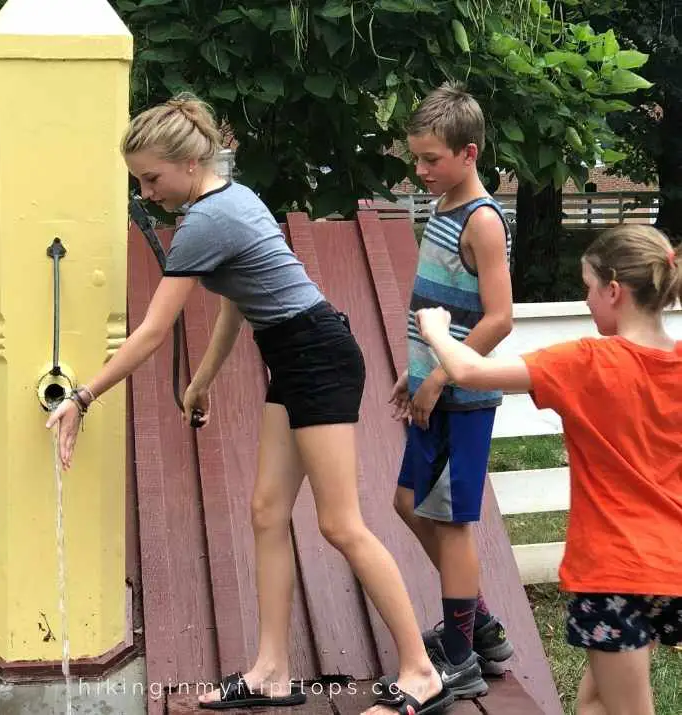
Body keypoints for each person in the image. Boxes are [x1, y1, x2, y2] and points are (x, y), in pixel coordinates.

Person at [46, 93, 453, 714]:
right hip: (293, 354)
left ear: (188, 163)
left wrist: (82, 395)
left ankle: (422, 672)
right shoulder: (227, 202)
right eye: (139, 181)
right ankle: (271, 672)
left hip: (316, 355)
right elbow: (239, 298)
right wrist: (203, 381)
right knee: (267, 511)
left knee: (339, 523)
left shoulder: (207, 219)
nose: (147, 193)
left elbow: (152, 332)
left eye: (151, 178)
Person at [415, 224, 682, 715]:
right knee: (595, 700)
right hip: (673, 566)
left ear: (614, 291)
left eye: (588, 289)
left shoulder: (587, 361)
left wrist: (433, 330)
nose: (586, 301)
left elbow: (470, 372)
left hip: (615, 570)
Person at [387, 82, 516, 699]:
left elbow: (498, 317)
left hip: (462, 399)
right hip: (431, 386)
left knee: (453, 520)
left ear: (468, 153)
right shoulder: (441, 208)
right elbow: (436, 302)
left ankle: (462, 656)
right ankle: (481, 623)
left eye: (431, 159)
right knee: (408, 503)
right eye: (416, 158)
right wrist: (412, 370)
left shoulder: (483, 221)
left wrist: (440, 375)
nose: (420, 171)